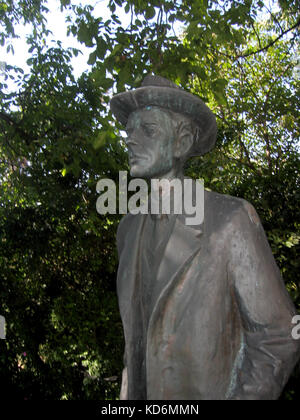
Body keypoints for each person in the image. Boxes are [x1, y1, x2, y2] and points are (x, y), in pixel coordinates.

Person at [110, 75, 300, 400]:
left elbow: (280, 335)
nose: (130, 139)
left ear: (182, 141)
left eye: (148, 130)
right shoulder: (127, 229)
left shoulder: (230, 219)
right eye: (130, 131)